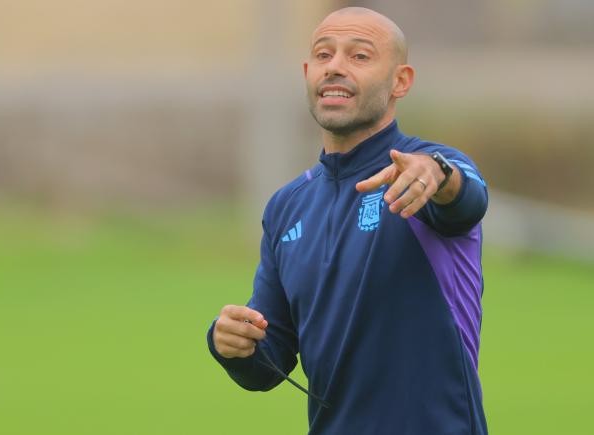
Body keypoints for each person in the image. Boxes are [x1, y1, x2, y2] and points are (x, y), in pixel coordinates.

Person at [206, 7, 489, 435]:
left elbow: (467, 201)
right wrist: (230, 343)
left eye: (359, 56)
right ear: (308, 72)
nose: (335, 67)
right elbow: (268, 364)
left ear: (401, 81)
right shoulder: (286, 206)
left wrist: (436, 173)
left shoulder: (423, 170)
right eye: (323, 55)